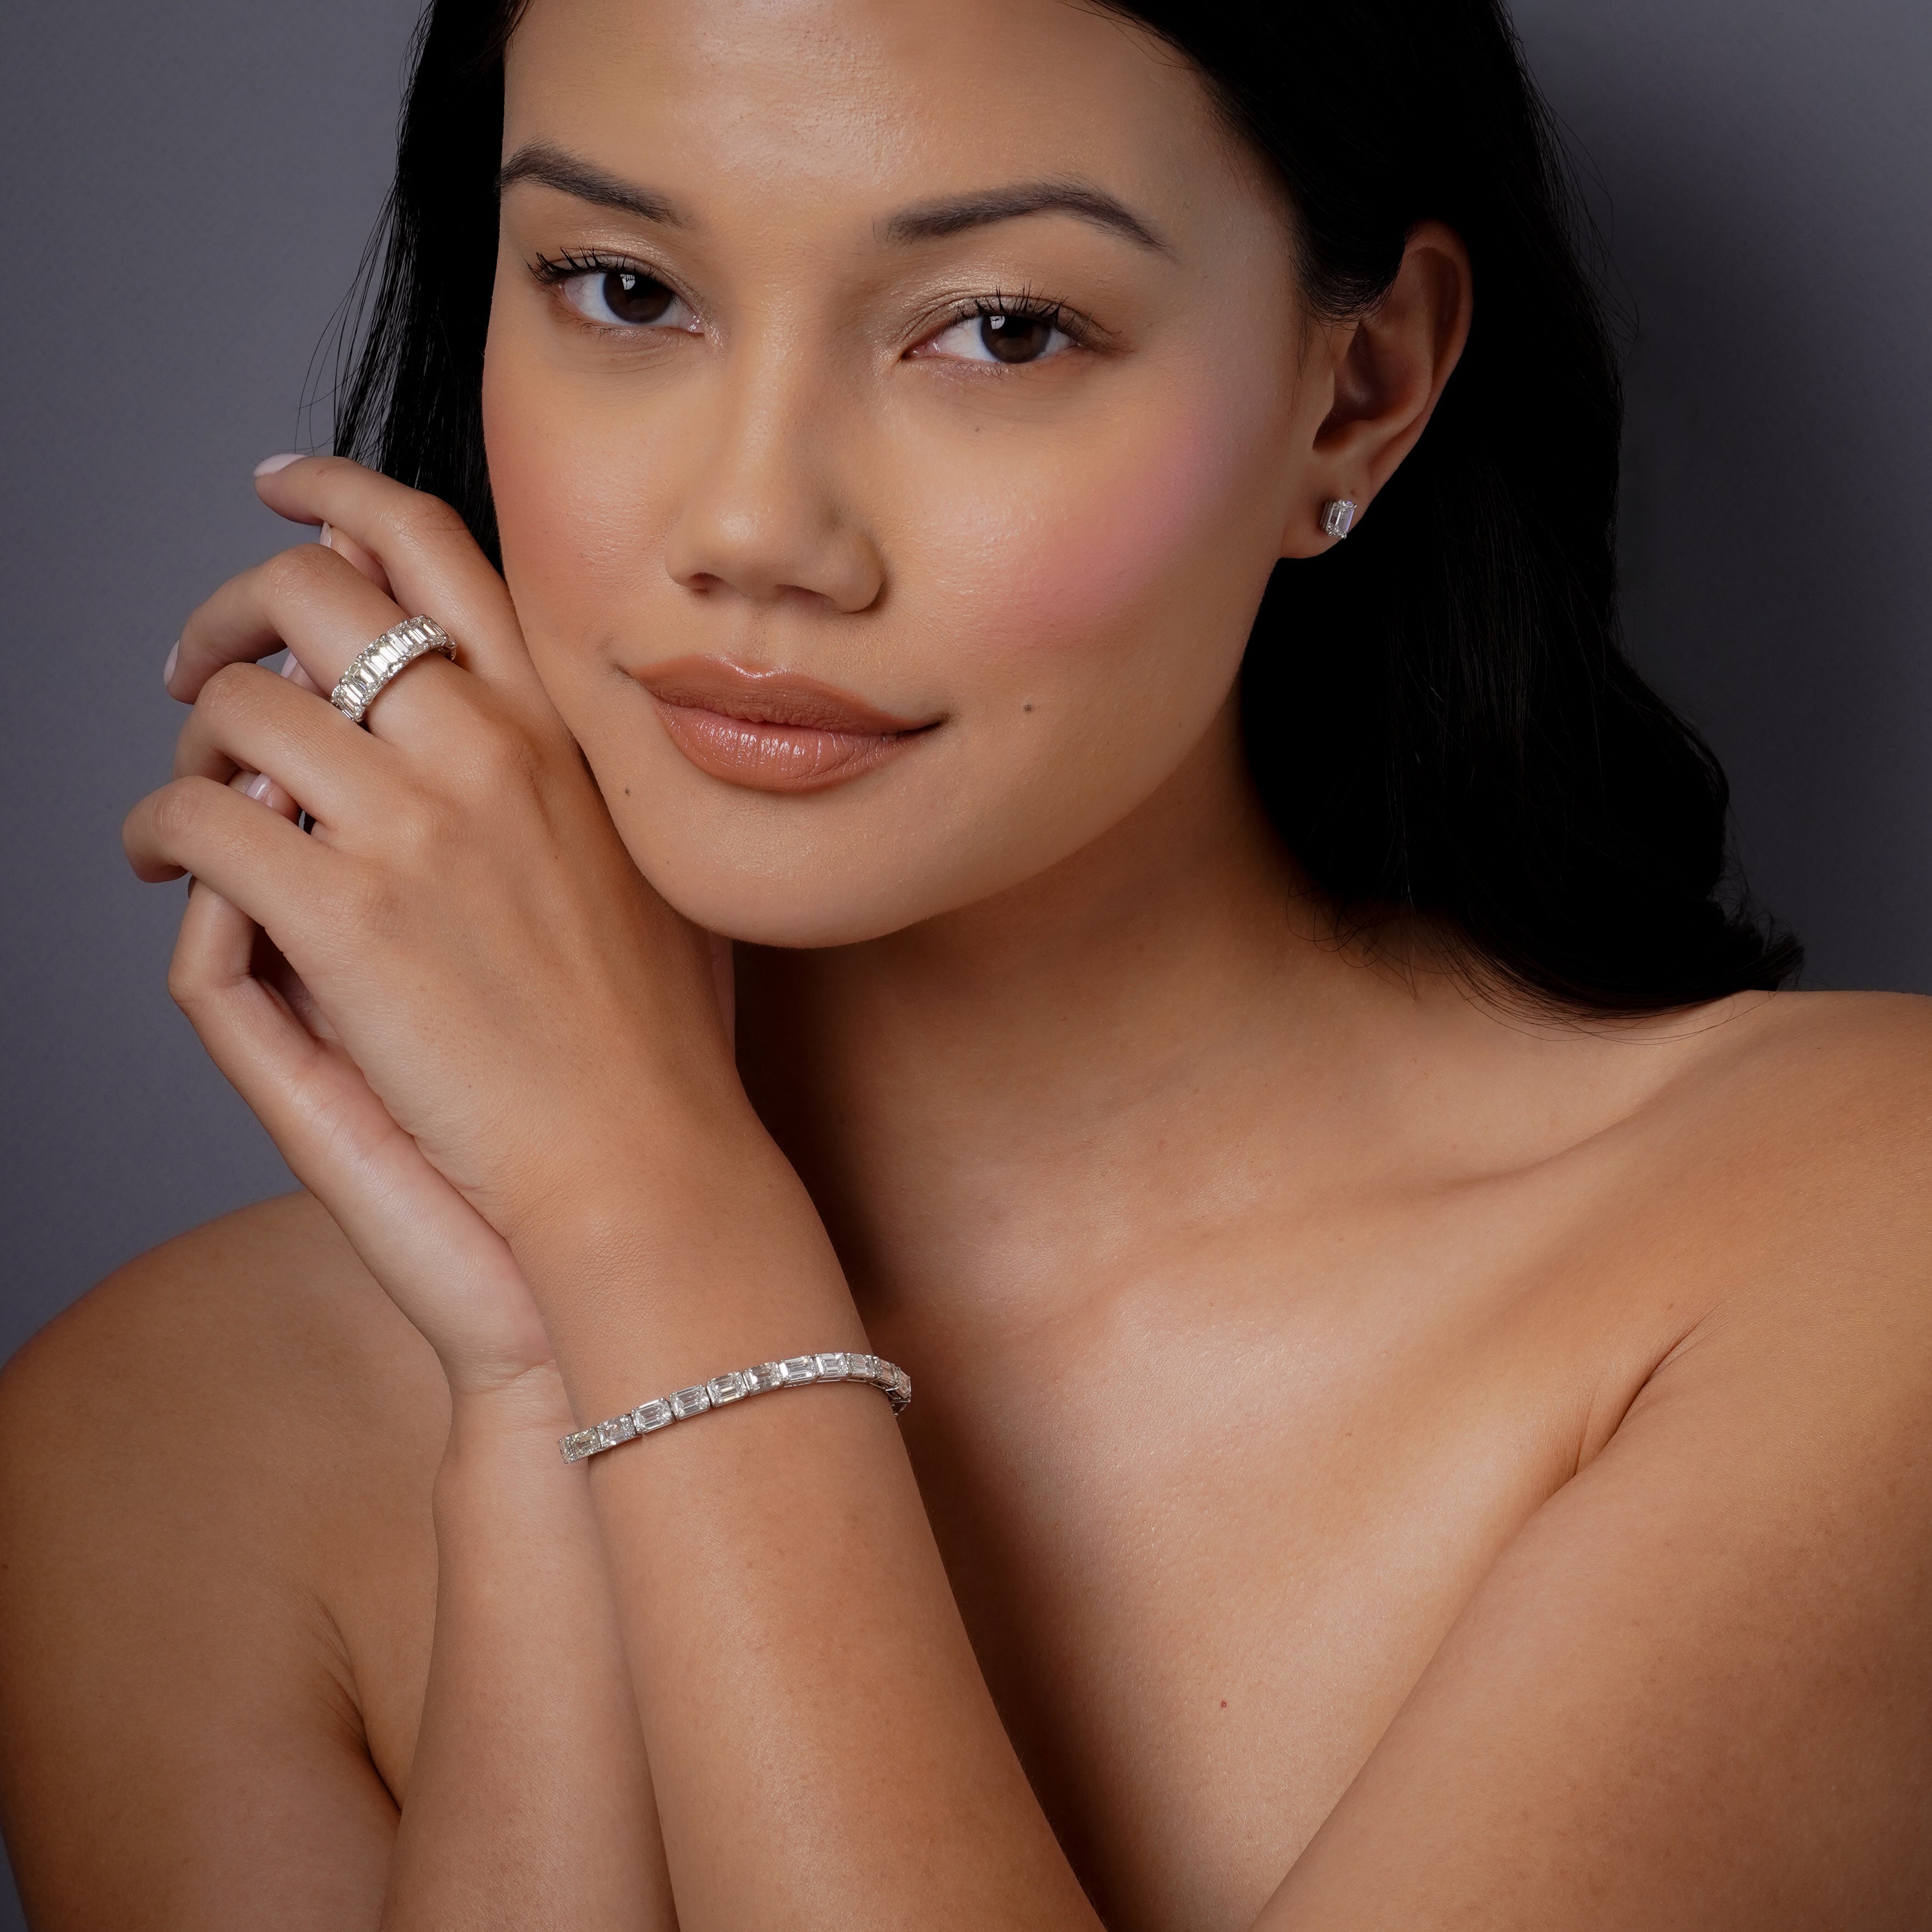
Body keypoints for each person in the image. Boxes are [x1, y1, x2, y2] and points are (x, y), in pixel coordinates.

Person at [2, 0, 1928, 1924]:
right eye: (618, 286)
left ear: (1360, 390)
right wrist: (532, 1401)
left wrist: (657, 1232)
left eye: (1003, 329)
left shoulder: (1855, 1241)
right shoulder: (159, 1456)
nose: (755, 531)